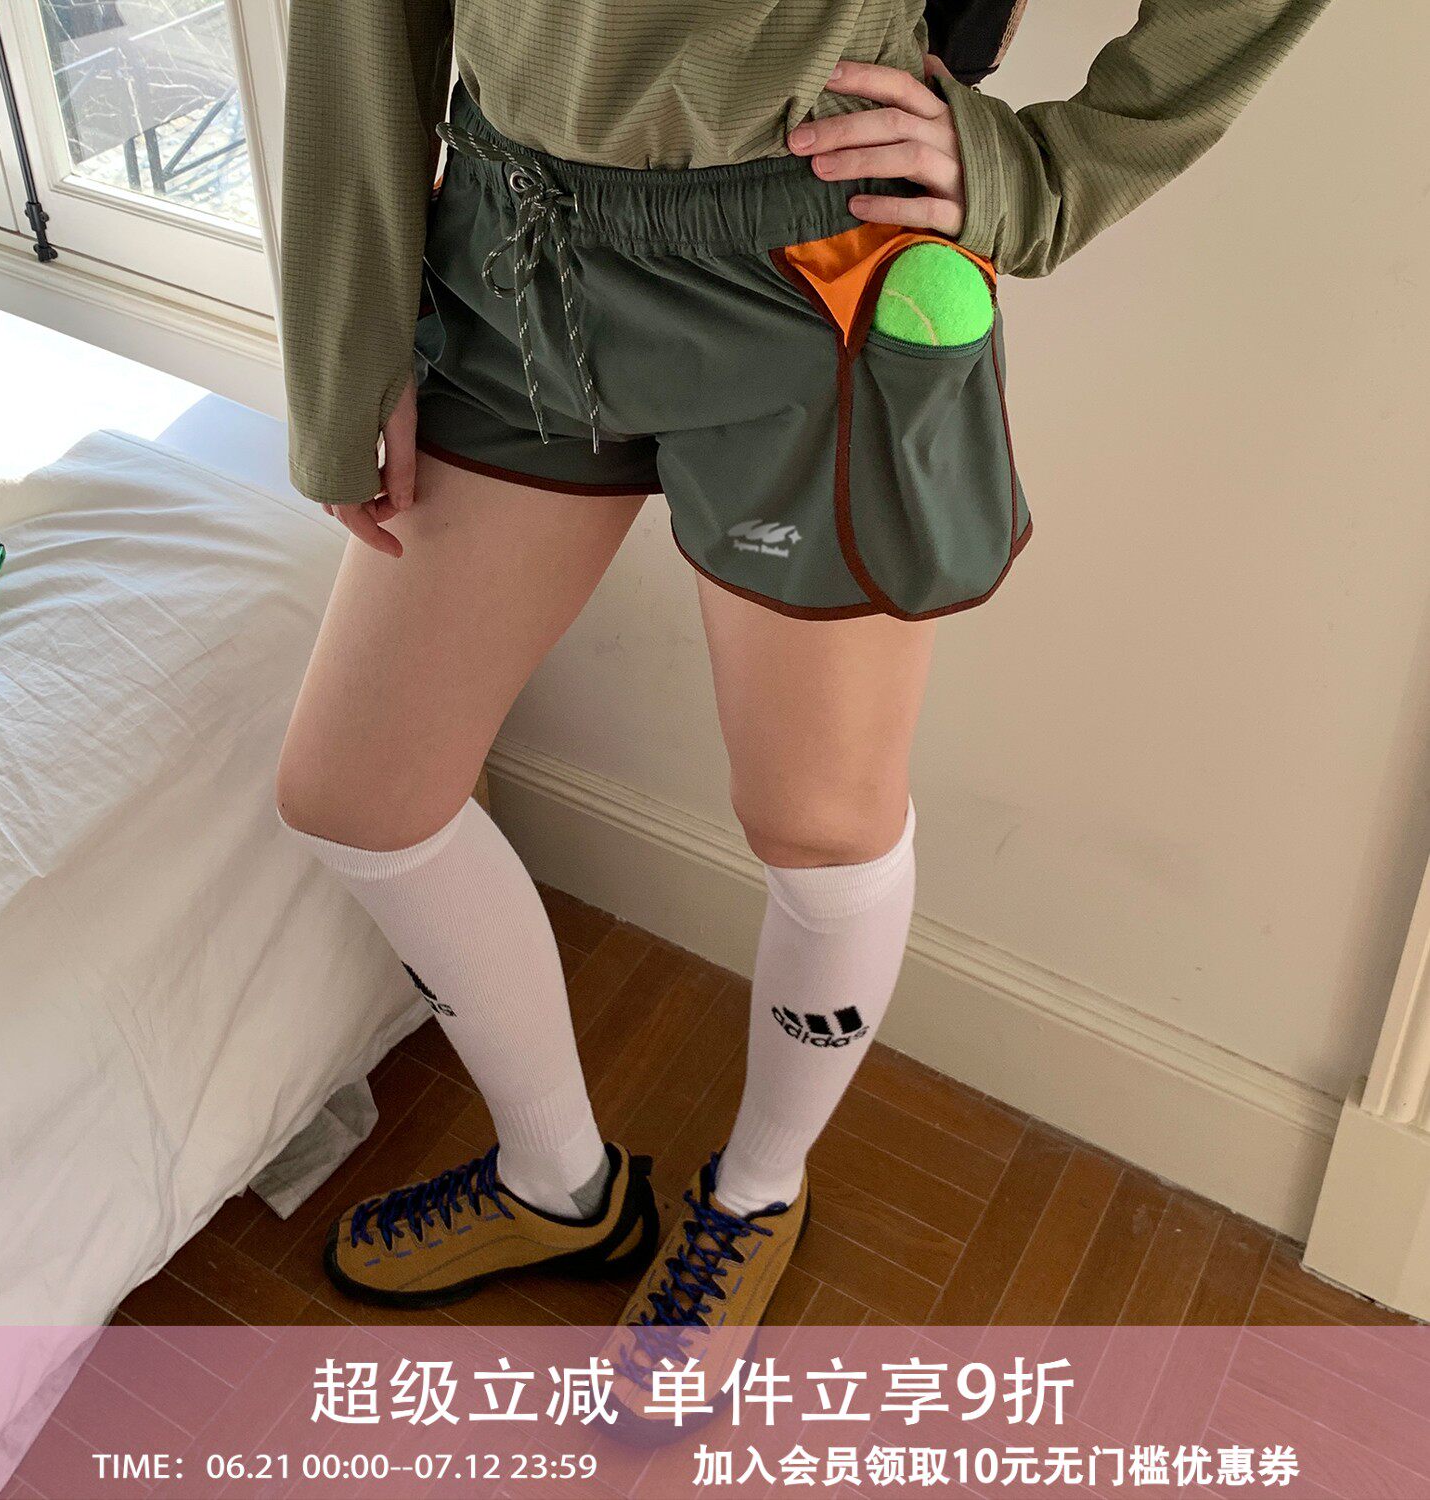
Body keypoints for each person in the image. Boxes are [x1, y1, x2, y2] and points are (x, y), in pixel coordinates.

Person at [274, 0, 1328, 1325]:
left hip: (816, 259)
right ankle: (557, 1182)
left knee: (818, 824)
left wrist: (1049, 172)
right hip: (508, 243)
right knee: (358, 794)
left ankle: (758, 1191)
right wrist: (347, 330)